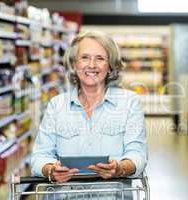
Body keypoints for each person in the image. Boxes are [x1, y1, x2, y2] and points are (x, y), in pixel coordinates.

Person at [30, 31, 148, 199]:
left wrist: (120, 168)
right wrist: (50, 170)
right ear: (74, 63)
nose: (91, 65)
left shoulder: (129, 103)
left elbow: (138, 154)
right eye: (84, 57)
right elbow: (39, 157)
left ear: (110, 66)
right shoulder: (57, 105)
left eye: (100, 58)